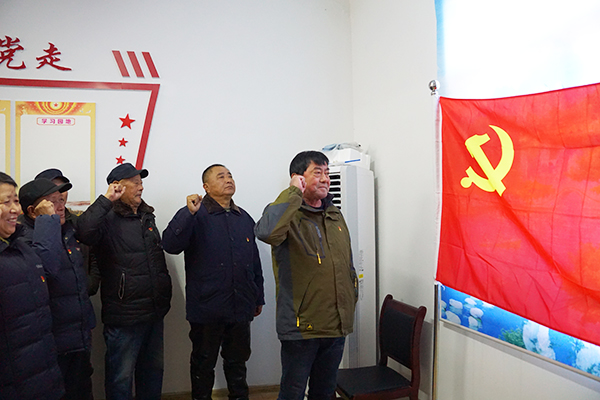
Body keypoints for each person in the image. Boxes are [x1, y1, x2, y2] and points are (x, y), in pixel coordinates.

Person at [255, 151, 358, 400]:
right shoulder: (287, 215)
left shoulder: (334, 214)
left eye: (327, 173)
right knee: (293, 392)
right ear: (298, 177)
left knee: (325, 391)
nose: (325, 179)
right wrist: (293, 192)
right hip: (302, 327)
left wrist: (351, 297)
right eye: (317, 172)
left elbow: (346, 264)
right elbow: (266, 232)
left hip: (335, 324)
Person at [162, 164, 265, 400]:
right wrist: (187, 213)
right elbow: (170, 245)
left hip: (241, 304)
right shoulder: (195, 214)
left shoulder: (243, 217)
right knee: (203, 363)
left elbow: (254, 261)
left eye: (230, 175)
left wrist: (258, 296)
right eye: (221, 176)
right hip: (207, 306)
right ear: (206, 187)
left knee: (238, 363)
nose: (228, 179)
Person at [75, 162, 172, 400]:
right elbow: (83, 232)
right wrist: (107, 199)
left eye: (141, 182)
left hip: (153, 311)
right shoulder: (106, 217)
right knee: (121, 378)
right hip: (124, 315)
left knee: (152, 373)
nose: (141, 187)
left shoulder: (146, 216)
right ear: (118, 186)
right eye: (135, 183)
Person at [19, 177, 96, 400]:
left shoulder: (67, 231)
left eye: (61, 200)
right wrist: (48, 223)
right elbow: (46, 270)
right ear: (33, 211)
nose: (61, 206)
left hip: (79, 336)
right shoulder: (23, 239)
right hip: (52, 342)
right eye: (52, 202)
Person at [0, 172, 65, 399]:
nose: (14, 209)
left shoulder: (18, 246)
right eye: (6, 202)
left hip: (40, 368)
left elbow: (47, 268)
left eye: (15, 201)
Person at [36, 168, 100, 295]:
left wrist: (90, 283)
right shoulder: (32, 228)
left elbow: (93, 252)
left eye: (63, 188)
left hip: (81, 299)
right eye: (54, 188)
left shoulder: (75, 222)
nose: (60, 193)